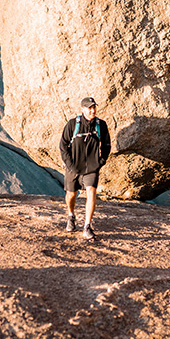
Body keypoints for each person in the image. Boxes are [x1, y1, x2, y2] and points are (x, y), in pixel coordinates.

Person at [59, 97, 110, 240]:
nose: (92, 110)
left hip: (92, 167)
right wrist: (70, 165)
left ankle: (87, 226)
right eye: (89, 107)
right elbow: (63, 145)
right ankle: (71, 215)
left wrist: (101, 161)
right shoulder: (72, 124)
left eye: (94, 107)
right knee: (71, 195)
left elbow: (106, 145)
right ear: (82, 109)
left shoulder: (101, 125)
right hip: (73, 166)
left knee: (91, 193)